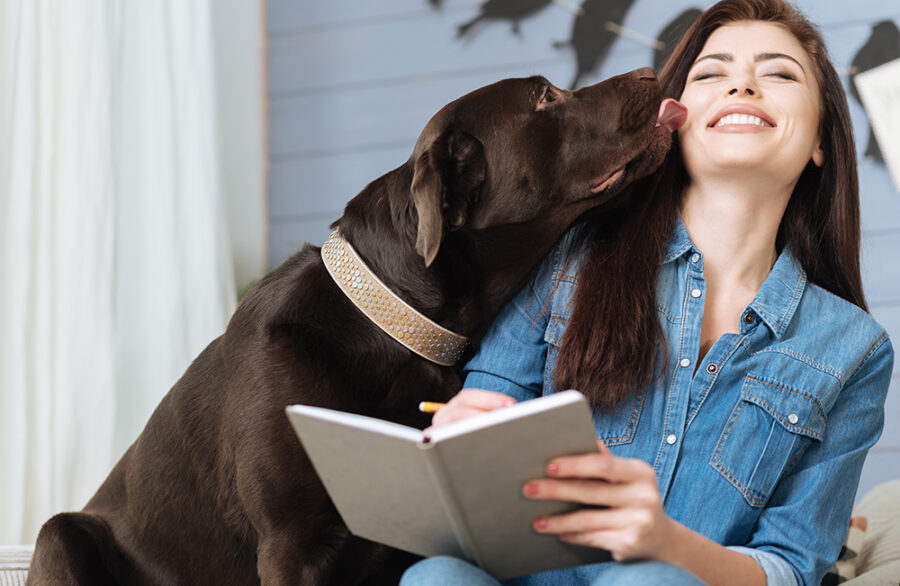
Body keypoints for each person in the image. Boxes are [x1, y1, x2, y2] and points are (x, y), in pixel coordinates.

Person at [399, 0, 893, 585]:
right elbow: (478, 427)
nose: (742, 83)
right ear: (674, 121)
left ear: (819, 140)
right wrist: (461, 433)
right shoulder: (571, 257)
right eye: (711, 73)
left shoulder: (853, 349)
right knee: (439, 576)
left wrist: (665, 542)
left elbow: (790, 567)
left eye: (780, 73)